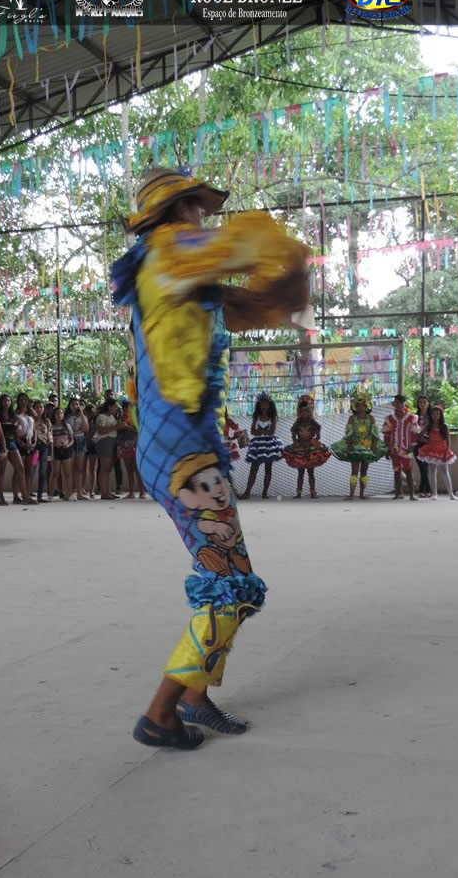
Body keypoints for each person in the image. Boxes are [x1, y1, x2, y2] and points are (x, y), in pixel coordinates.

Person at [111, 166, 310, 748]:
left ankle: (195, 697)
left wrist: (278, 297)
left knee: (229, 581)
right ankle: (160, 714)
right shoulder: (171, 250)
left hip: (183, 448)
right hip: (184, 456)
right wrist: (293, 261)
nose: (204, 216)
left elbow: (242, 306)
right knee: (233, 586)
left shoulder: (176, 277)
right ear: (179, 210)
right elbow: (255, 244)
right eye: (198, 206)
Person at [331, 389, 386, 500]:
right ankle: (351, 494)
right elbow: (348, 433)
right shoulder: (352, 418)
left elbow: (375, 434)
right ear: (355, 407)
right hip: (355, 447)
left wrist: (374, 445)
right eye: (359, 406)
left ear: (367, 407)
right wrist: (349, 445)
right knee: (354, 470)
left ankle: (362, 494)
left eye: (363, 406)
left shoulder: (371, 418)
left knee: (364, 471)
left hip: (367, 447)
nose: (361, 408)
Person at [281, 395, 331, 498]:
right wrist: (295, 441)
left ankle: (313, 492)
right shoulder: (298, 422)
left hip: (310, 448)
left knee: (311, 471)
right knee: (300, 472)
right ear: (300, 412)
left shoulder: (312, 421)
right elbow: (293, 431)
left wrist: (316, 439)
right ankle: (298, 492)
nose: (304, 414)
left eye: (306, 411)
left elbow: (318, 429)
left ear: (309, 412)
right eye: (302, 411)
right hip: (299, 447)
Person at [240, 393, 283, 499]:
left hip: (269, 444)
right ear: (259, 405)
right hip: (258, 444)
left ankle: (265, 492)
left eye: (266, 404)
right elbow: (252, 431)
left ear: (270, 405)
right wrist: (263, 432)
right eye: (262, 404)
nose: (263, 406)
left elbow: (272, 432)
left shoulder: (273, 417)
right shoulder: (256, 416)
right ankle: (247, 492)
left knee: (268, 469)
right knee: (253, 469)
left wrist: (259, 431)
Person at [416, 404, 458, 500]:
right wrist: (426, 441)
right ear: (431, 415)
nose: (435, 415)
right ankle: (434, 494)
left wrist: (445, 453)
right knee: (432, 471)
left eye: (437, 414)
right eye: (433, 414)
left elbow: (448, 441)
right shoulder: (429, 426)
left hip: (442, 450)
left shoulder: (444, 426)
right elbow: (419, 436)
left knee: (445, 471)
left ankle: (451, 494)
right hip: (431, 450)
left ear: (441, 415)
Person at [382, 393, 419, 501]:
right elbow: (386, 434)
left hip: (407, 449)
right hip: (394, 449)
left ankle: (412, 494)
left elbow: (415, 433)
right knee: (397, 470)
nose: (397, 405)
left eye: (399, 403)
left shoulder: (411, 418)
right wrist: (387, 448)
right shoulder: (389, 418)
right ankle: (399, 493)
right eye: (396, 403)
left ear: (403, 404)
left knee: (408, 471)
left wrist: (412, 446)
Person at [0, 394, 28, 506]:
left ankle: (24, 497)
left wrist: (20, 438)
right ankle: (1, 498)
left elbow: (16, 432)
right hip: (0, 444)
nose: (6, 402)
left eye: (8, 400)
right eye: (4, 401)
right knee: (2, 471)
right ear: (1, 402)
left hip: (12, 442)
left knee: (20, 467)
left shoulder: (13, 415)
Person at [116, 398, 146, 499]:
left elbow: (138, 430)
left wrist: (127, 427)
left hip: (134, 443)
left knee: (137, 469)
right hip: (124, 444)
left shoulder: (135, 417)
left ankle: (142, 492)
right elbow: (117, 430)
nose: (125, 409)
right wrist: (121, 427)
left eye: (127, 407)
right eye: (124, 407)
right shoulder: (121, 418)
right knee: (128, 469)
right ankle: (131, 492)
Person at [94, 397, 120, 500]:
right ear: (109, 407)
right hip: (104, 442)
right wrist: (116, 427)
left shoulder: (112, 417)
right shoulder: (101, 416)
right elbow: (101, 431)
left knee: (108, 468)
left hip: (112, 442)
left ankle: (107, 491)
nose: (116, 409)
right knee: (104, 468)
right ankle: (104, 492)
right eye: (115, 407)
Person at [64, 397, 90, 500]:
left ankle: (79, 493)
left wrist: (82, 413)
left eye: (77, 404)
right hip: (70, 441)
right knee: (69, 469)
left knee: (79, 468)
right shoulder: (66, 417)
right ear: (70, 406)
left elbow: (86, 429)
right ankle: (69, 492)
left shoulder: (83, 416)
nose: (75, 406)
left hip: (81, 440)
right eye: (73, 404)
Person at [14, 393, 36, 503]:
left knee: (29, 470)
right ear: (18, 402)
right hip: (21, 443)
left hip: (30, 442)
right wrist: (22, 444)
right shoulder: (15, 415)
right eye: (21, 400)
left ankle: (27, 493)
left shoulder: (30, 415)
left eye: (25, 400)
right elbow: (14, 432)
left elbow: (34, 430)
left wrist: (34, 443)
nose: (23, 401)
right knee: (18, 470)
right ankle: (16, 496)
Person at [50, 407, 75, 500]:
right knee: (55, 473)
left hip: (66, 450)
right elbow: (49, 439)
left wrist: (68, 445)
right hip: (56, 450)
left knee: (68, 473)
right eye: (57, 413)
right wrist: (54, 444)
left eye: (61, 413)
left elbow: (72, 439)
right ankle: (51, 495)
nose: (59, 415)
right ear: (54, 415)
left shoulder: (67, 426)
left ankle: (69, 494)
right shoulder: (51, 427)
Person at [31, 401, 53, 503]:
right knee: (32, 470)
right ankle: (26, 493)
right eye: (37, 407)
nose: (39, 409)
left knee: (42, 471)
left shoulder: (47, 421)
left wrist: (51, 451)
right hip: (35, 448)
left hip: (44, 447)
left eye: (41, 407)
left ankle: (39, 495)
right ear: (34, 408)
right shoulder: (31, 419)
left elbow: (50, 436)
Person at [413, 394, 432, 498]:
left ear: (428, 404)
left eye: (425, 402)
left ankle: (422, 490)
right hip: (417, 444)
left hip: (429, 443)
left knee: (426, 467)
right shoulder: (415, 417)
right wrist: (418, 438)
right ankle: (428, 490)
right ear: (418, 404)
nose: (422, 404)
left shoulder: (432, 416)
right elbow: (412, 431)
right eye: (420, 402)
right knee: (422, 467)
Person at [83, 403, 99, 498]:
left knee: (92, 469)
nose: (91, 414)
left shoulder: (98, 420)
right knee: (83, 468)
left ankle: (92, 490)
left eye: (92, 412)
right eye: (88, 412)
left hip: (93, 444)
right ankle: (82, 489)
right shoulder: (83, 420)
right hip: (84, 444)